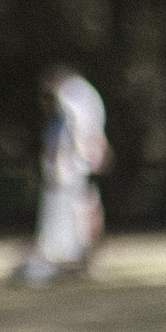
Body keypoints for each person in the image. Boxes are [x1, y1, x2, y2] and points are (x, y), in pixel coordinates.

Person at [21, 65, 110, 284]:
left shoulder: (72, 103)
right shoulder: (56, 123)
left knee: (78, 215)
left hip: (72, 173)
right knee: (72, 215)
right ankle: (70, 259)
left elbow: (80, 131)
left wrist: (84, 154)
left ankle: (71, 258)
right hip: (70, 172)